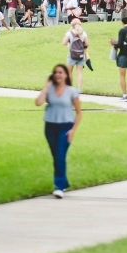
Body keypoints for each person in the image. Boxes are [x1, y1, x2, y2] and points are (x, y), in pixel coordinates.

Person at [35, 64, 82, 197]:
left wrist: (73, 130)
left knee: (60, 155)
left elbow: (79, 113)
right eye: (55, 72)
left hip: (65, 127)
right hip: (50, 126)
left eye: (60, 72)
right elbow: (38, 103)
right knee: (56, 156)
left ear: (66, 75)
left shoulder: (72, 91)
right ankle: (64, 182)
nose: (58, 75)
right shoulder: (50, 89)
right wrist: (46, 87)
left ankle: (59, 187)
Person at [63, 18, 90, 91]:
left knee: (69, 71)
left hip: (72, 54)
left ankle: (70, 87)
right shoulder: (83, 33)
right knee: (79, 72)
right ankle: (79, 88)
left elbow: (64, 43)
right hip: (81, 54)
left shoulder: (69, 33)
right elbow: (87, 44)